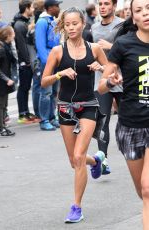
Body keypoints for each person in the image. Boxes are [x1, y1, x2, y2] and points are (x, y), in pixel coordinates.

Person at [41, 6, 108, 223]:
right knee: (74, 160)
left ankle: (76, 207)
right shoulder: (57, 51)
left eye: (74, 23)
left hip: (89, 104)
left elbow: (110, 75)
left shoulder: (95, 48)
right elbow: (44, 81)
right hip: (65, 107)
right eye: (67, 24)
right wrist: (60, 73)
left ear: (83, 24)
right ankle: (96, 161)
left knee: (79, 157)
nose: (71, 27)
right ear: (64, 25)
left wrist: (101, 68)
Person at [98, 0, 149, 229]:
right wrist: (110, 81)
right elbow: (101, 86)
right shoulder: (123, 44)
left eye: (148, 7)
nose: (145, 13)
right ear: (133, 17)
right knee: (142, 192)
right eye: (139, 10)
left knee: (148, 188)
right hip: (130, 125)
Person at [91, 0, 124, 175]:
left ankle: (137, 156)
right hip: (102, 80)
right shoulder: (94, 28)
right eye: (100, 4)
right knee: (102, 121)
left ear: (114, 6)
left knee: (128, 120)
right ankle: (103, 161)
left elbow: (129, 49)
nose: (103, 7)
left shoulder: (123, 25)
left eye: (106, 3)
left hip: (121, 79)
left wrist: (111, 46)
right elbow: (91, 53)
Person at [35, 0, 62, 131]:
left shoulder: (52, 21)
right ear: (50, 8)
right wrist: (48, 64)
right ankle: (44, 119)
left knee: (54, 92)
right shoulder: (42, 22)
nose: (59, 8)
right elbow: (40, 45)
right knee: (46, 92)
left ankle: (52, 117)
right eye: (57, 6)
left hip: (55, 60)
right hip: (47, 62)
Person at [13, 0, 36, 124]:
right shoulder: (19, 25)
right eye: (32, 7)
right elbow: (21, 45)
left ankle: (26, 112)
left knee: (26, 87)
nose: (33, 9)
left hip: (27, 61)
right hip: (24, 62)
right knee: (23, 87)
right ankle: (22, 114)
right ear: (26, 8)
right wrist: (27, 61)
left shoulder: (24, 23)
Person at [0, 26, 17, 136]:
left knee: (4, 105)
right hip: (1, 82)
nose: (14, 35)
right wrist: (7, 79)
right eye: (13, 33)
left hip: (4, 81)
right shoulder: (1, 49)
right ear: (8, 36)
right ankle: (1, 128)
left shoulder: (6, 46)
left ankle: (3, 126)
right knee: (1, 106)